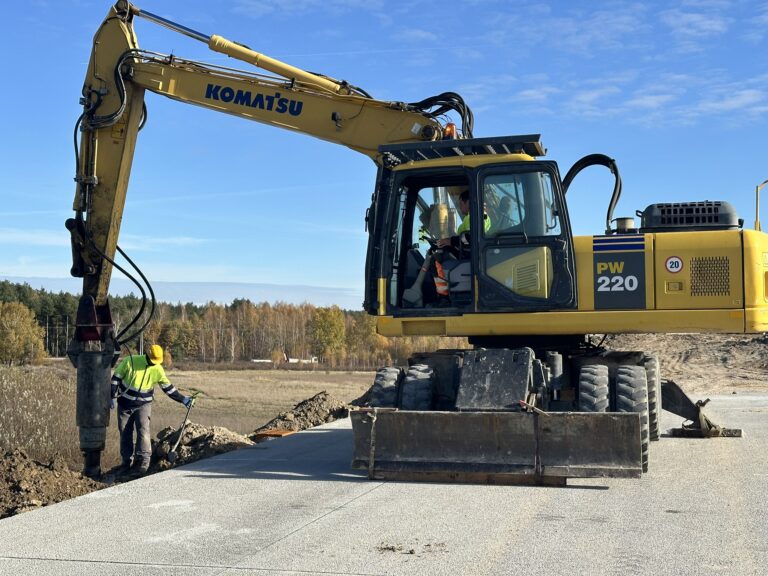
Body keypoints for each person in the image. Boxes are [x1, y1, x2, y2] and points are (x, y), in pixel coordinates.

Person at [110, 344, 194, 477]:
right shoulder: (130, 362)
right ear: (148, 355)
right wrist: (113, 396)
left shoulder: (158, 369)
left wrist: (183, 399)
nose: (153, 363)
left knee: (143, 430)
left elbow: (168, 388)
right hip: (124, 405)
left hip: (143, 405)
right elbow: (116, 379)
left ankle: (144, 463)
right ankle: (126, 462)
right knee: (125, 432)